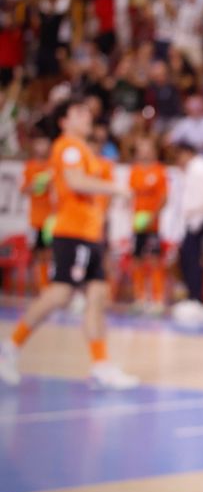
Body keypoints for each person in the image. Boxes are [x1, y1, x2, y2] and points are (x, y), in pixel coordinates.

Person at [0, 96, 137, 389]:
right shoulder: (69, 148)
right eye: (79, 113)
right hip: (72, 233)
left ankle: (101, 365)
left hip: (89, 234)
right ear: (64, 121)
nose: (87, 116)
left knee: (97, 297)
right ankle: (10, 346)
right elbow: (75, 182)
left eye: (88, 112)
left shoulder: (83, 149)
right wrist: (117, 190)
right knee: (60, 295)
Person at [171, 142, 203, 328]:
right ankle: (192, 295)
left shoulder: (200, 169)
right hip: (193, 220)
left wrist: (196, 220)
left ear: (187, 153)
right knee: (187, 259)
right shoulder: (194, 169)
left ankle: (196, 297)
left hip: (198, 220)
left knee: (193, 260)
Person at [128, 137, 170, 315]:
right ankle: (140, 298)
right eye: (141, 148)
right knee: (136, 260)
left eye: (147, 148)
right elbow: (131, 194)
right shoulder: (134, 171)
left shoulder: (160, 171)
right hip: (137, 224)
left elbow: (164, 197)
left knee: (154, 260)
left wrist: (152, 217)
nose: (144, 151)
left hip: (153, 225)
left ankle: (158, 299)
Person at [21, 134, 55, 292]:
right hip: (36, 219)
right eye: (38, 143)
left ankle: (49, 284)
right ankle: (41, 286)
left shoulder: (52, 166)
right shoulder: (30, 166)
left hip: (51, 219)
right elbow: (24, 190)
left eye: (44, 143)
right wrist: (36, 184)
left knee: (50, 252)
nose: (41, 147)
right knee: (38, 252)